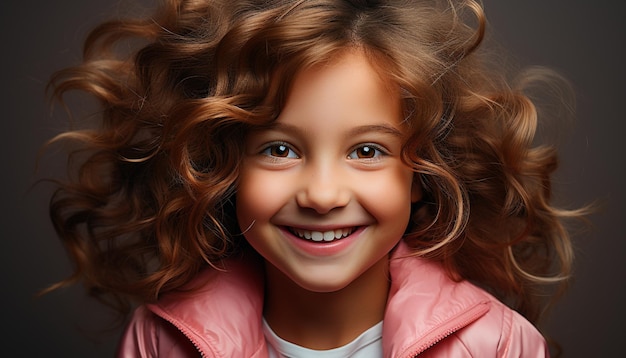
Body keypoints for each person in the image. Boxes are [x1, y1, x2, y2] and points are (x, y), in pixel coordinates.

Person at [44, 0, 585, 356]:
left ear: (422, 172)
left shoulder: (496, 344)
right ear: (222, 168)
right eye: (279, 149)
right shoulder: (162, 340)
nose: (322, 195)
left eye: (367, 150)